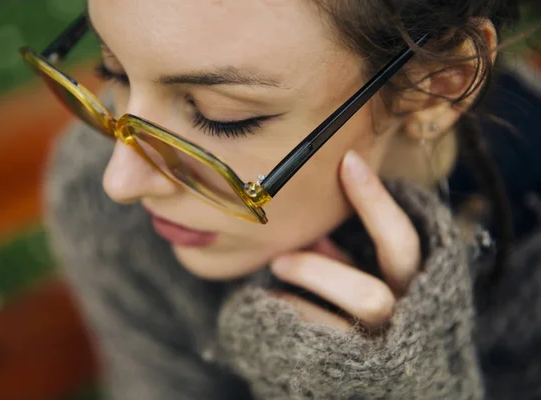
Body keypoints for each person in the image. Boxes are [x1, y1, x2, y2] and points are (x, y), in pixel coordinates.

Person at [27, 0, 541, 398]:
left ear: (435, 86)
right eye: (114, 72)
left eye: (219, 115)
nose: (120, 182)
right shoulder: (100, 199)